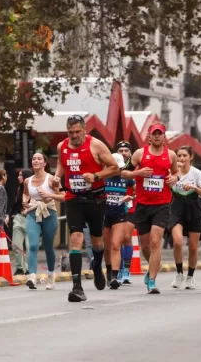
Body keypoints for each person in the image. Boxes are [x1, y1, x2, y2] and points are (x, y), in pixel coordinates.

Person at [53, 114, 119, 302]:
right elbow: (61, 163)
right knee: (76, 239)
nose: (73, 136)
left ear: (84, 130)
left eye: (77, 132)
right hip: (73, 197)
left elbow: (114, 168)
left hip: (96, 199)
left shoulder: (96, 145)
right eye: (70, 132)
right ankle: (77, 287)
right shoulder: (62, 146)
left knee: (97, 242)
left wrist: (97, 176)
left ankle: (97, 265)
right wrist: (57, 177)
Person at [122, 123, 179, 293]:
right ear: (149, 136)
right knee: (145, 245)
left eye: (159, 134)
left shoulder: (170, 155)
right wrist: (137, 173)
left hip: (162, 204)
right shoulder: (140, 153)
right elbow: (124, 173)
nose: (156, 136)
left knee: (156, 241)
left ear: (164, 137)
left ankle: (152, 281)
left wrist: (174, 179)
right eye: (153, 134)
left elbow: (176, 173)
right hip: (142, 204)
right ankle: (153, 266)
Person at [22, 153, 64, 290]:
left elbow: (63, 196)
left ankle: (51, 275)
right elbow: (26, 193)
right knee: (33, 245)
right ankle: (32, 276)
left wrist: (49, 195)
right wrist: (25, 201)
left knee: (48, 247)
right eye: (33, 158)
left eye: (39, 158)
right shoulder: (27, 180)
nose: (36, 160)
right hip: (33, 213)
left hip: (49, 213)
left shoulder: (51, 179)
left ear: (45, 163)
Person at [169, 146, 201, 290]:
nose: (181, 158)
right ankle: (179, 274)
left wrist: (194, 188)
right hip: (177, 208)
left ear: (190, 157)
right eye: (179, 155)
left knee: (193, 246)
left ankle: (190, 276)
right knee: (177, 242)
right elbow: (165, 187)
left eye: (184, 155)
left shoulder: (196, 173)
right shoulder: (172, 172)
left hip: (193, 208)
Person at [102, 152, 134, 289]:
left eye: (120, 168)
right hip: (104, 214)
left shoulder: (126, 178)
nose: (119, 170)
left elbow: (136, 190)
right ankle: (109, 272)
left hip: (119, 213)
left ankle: (115, 276)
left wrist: (129, 197)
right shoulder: (102, 178)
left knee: (116, 244)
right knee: (107, 246)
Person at [117, 141, 135, 284]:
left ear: (130, 154)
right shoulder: (112, 168)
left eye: (126, 151)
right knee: (117, 239)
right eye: (120, 150)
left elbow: (138, 188)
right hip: (115, 206)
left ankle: (126, 270)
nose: (123, 153)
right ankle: (118, 268)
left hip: (131, 206)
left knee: (127, 236)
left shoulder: (135, 168)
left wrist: (132, 197)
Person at [11, 168, 33, 275]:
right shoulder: (19, 189)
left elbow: (39, 204)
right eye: (18, 175)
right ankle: (19, 268)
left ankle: (29, 269)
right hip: (19, 218)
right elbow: (15, 204)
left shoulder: (34, 190)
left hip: (31, 219)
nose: (18, 177)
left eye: (21, 175)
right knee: (16, 245)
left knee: (30, 247)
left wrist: (29, 209)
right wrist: (8, 215)